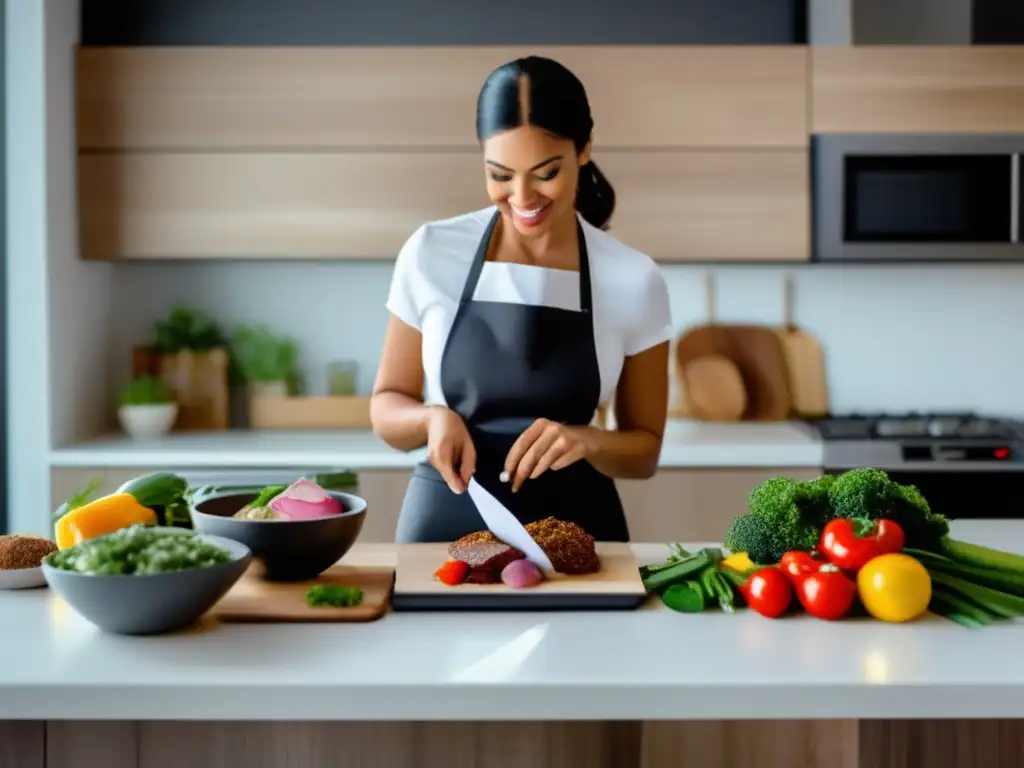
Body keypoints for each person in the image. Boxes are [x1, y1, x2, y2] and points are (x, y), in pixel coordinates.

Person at [371, 55, 672, 543]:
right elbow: (386, 408)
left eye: (545, 172)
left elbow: (644, 454)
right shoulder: (431, 252)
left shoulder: (633, 278)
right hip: (443, 535)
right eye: (500, 175)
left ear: (584, 150)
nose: (522, 196)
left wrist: (588, 439)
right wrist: (432, 418)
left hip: (579, 536)